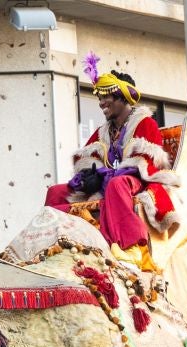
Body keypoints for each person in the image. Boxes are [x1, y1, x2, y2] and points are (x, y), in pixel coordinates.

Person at [43, 70, 178, 250]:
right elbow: (86, 160)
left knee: (117, 183)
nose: (101, 103)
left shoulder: (146, 123)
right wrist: (88, 177)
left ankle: (129, 245)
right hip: (108, 185)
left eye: (106, 97)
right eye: (99, 98)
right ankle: (50, 243)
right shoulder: (102, 132)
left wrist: (104, 175)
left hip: (140, 184)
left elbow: (146, 164)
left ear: (123, 96)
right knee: (56, 191)